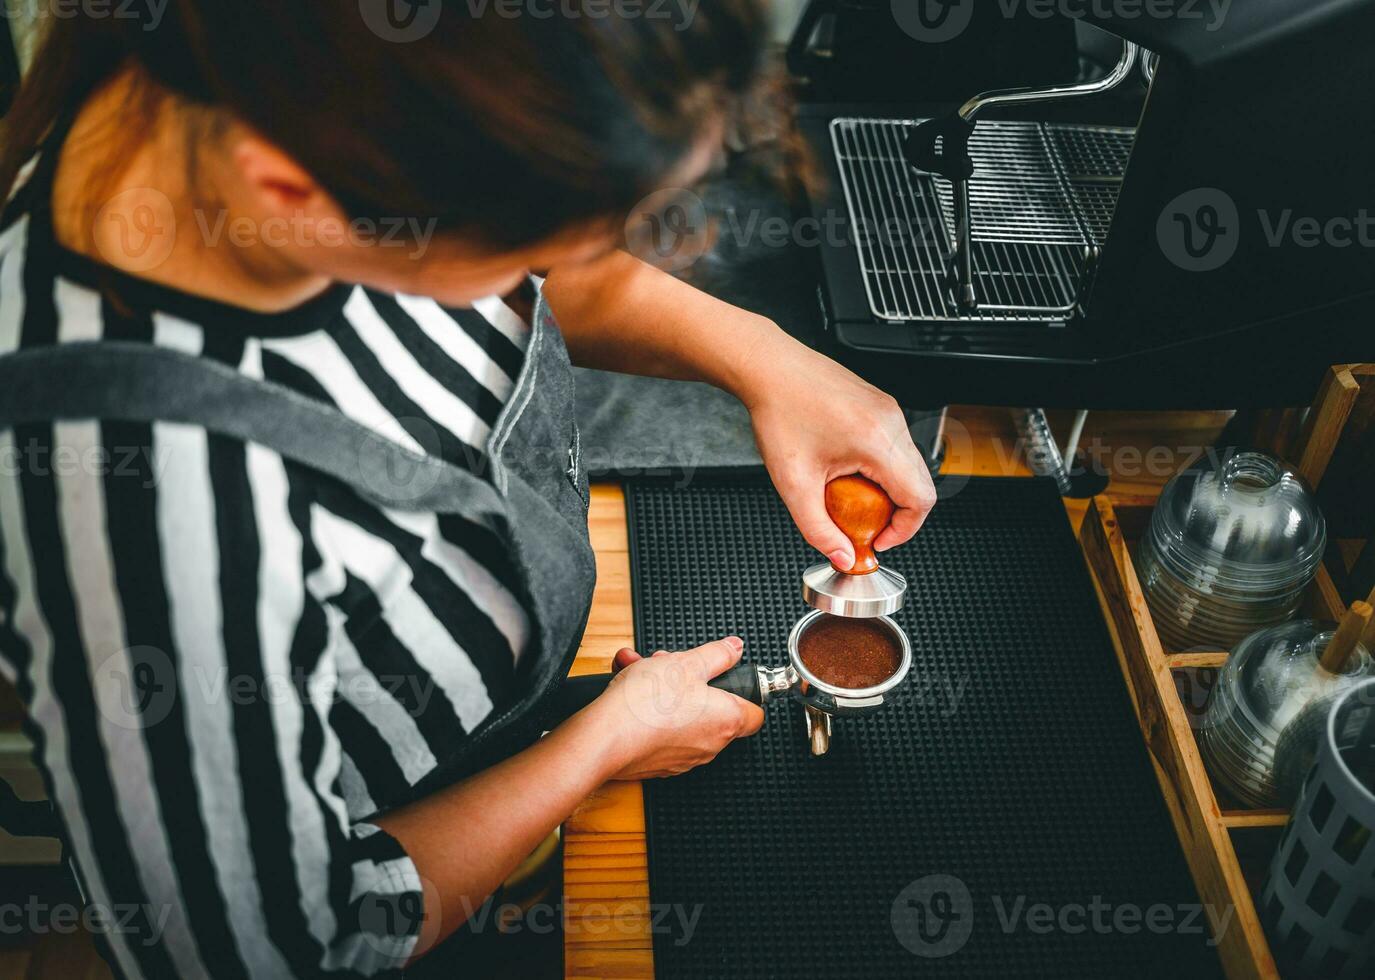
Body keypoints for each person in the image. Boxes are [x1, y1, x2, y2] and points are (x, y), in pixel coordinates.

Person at [0, 3, 935, 975]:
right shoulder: (157, 523)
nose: (548, 267)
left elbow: (521, 260)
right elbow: (291, 943)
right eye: (529, 243)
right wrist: (599, 744)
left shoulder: (289, 93)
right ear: (292, 195)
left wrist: (766, 359)